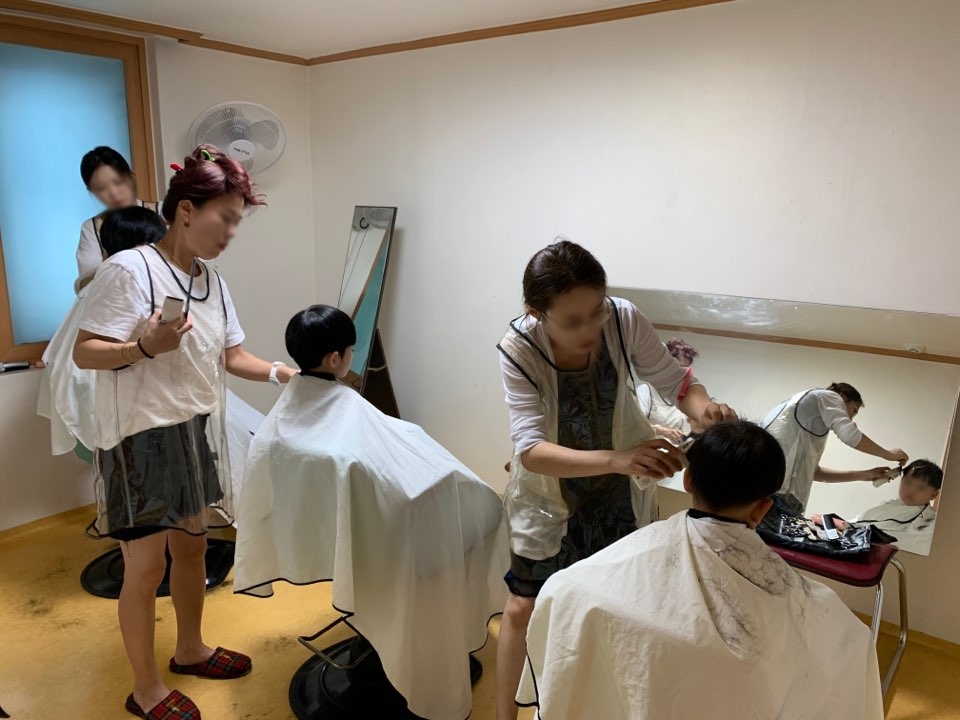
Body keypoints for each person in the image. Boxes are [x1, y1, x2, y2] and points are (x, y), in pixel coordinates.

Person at [74, 145, 296, 719]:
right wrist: (143, 346)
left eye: (238, 221)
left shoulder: (211, 280)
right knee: (146, 569)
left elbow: (233, 355)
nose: (232, 232)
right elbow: (86, 351)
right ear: (188, 210)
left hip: (194, 429)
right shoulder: (130, 269)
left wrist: (284, 374)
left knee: (193, 549)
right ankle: (144, 688)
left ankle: (191, 649)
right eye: (226, 218)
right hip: (139, 438)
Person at [495, 239, 736, 720]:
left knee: (612, 602)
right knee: (523, 608)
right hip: (549, 494)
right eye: (572, 321)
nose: (590, 328)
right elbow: (532, 451)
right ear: (536, 312)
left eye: (596, 312)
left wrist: (703, 408)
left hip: (618, 490)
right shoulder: (519, 348)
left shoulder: (622, 318)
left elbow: (676, 382)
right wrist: (619, 458)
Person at [234, 306, 508, 720]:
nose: (352, 357)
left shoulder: (285, 417)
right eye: (350, 351)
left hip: (329, 530)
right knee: (482, 505)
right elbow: (405, 480)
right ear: (335, 359)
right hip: (391, 533)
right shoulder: (346, 425)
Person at [518, 421, 884, 719]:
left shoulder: (581, 579)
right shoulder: (817, 605)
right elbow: (849, 646)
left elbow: (561, 591)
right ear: (763, 508)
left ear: (688, 480)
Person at [37, 207, 166, 457]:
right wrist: (143, 349)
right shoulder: (122, 281)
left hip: (99, 407)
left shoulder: (106, 284)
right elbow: (84, 361)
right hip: (111, 411)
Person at [761, 382, 908, 511]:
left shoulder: (805, 419)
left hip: (770, 487)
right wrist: (889, 454)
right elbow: (850, 435)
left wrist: (864, 474)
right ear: (843, 396)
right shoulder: (829, 396)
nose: (849, 418)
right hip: (775, 492)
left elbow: (814, 473)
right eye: (853, 411)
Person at [75, 146, 159, 292]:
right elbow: (86, 286)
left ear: (132, 177)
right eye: (101, 188)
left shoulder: (163, 212)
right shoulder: (92, 228)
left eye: (118, 182)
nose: (113, 193)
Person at [816, 460, 942, 555]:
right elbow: (863, 521)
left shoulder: (927, 519)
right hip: (851, 539)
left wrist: (845, 526)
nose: (911, 490)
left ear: (933, 494)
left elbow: (902, 540)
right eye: (908, 483)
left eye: (921, 488)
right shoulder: (893, 505)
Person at [637, 337, 700, 443]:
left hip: (673, 450)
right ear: (665, 365)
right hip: (649, 449)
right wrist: (663, 431)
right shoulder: (645, 391)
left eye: (685, 369)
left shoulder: (684, 394)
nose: (682, 374)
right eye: (679, 368)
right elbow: (636, 426)